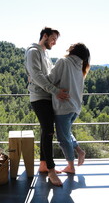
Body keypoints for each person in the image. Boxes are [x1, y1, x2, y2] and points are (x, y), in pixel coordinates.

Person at [25, 27, 69, 186]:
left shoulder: (45, 53)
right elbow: (36, 76)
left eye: (56, 40)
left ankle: (43, 165)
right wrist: (56, 91)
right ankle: (51, 170)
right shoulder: (33, 51)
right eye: (53, 39)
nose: (55, 42)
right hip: (39, 98)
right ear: (45, 36)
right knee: (49, 131)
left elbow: (49, 76)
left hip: (47, 97)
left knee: (47, 131)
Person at [48, 43, 90, 174]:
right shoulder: (81, 67)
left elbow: (51, 79)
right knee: (66, 133)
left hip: (63, 106)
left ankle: (71, 166)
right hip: (75, 107)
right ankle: (79, 151)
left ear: (72, 50)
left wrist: (35, 78)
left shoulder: (64, 61)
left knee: (62, 138)